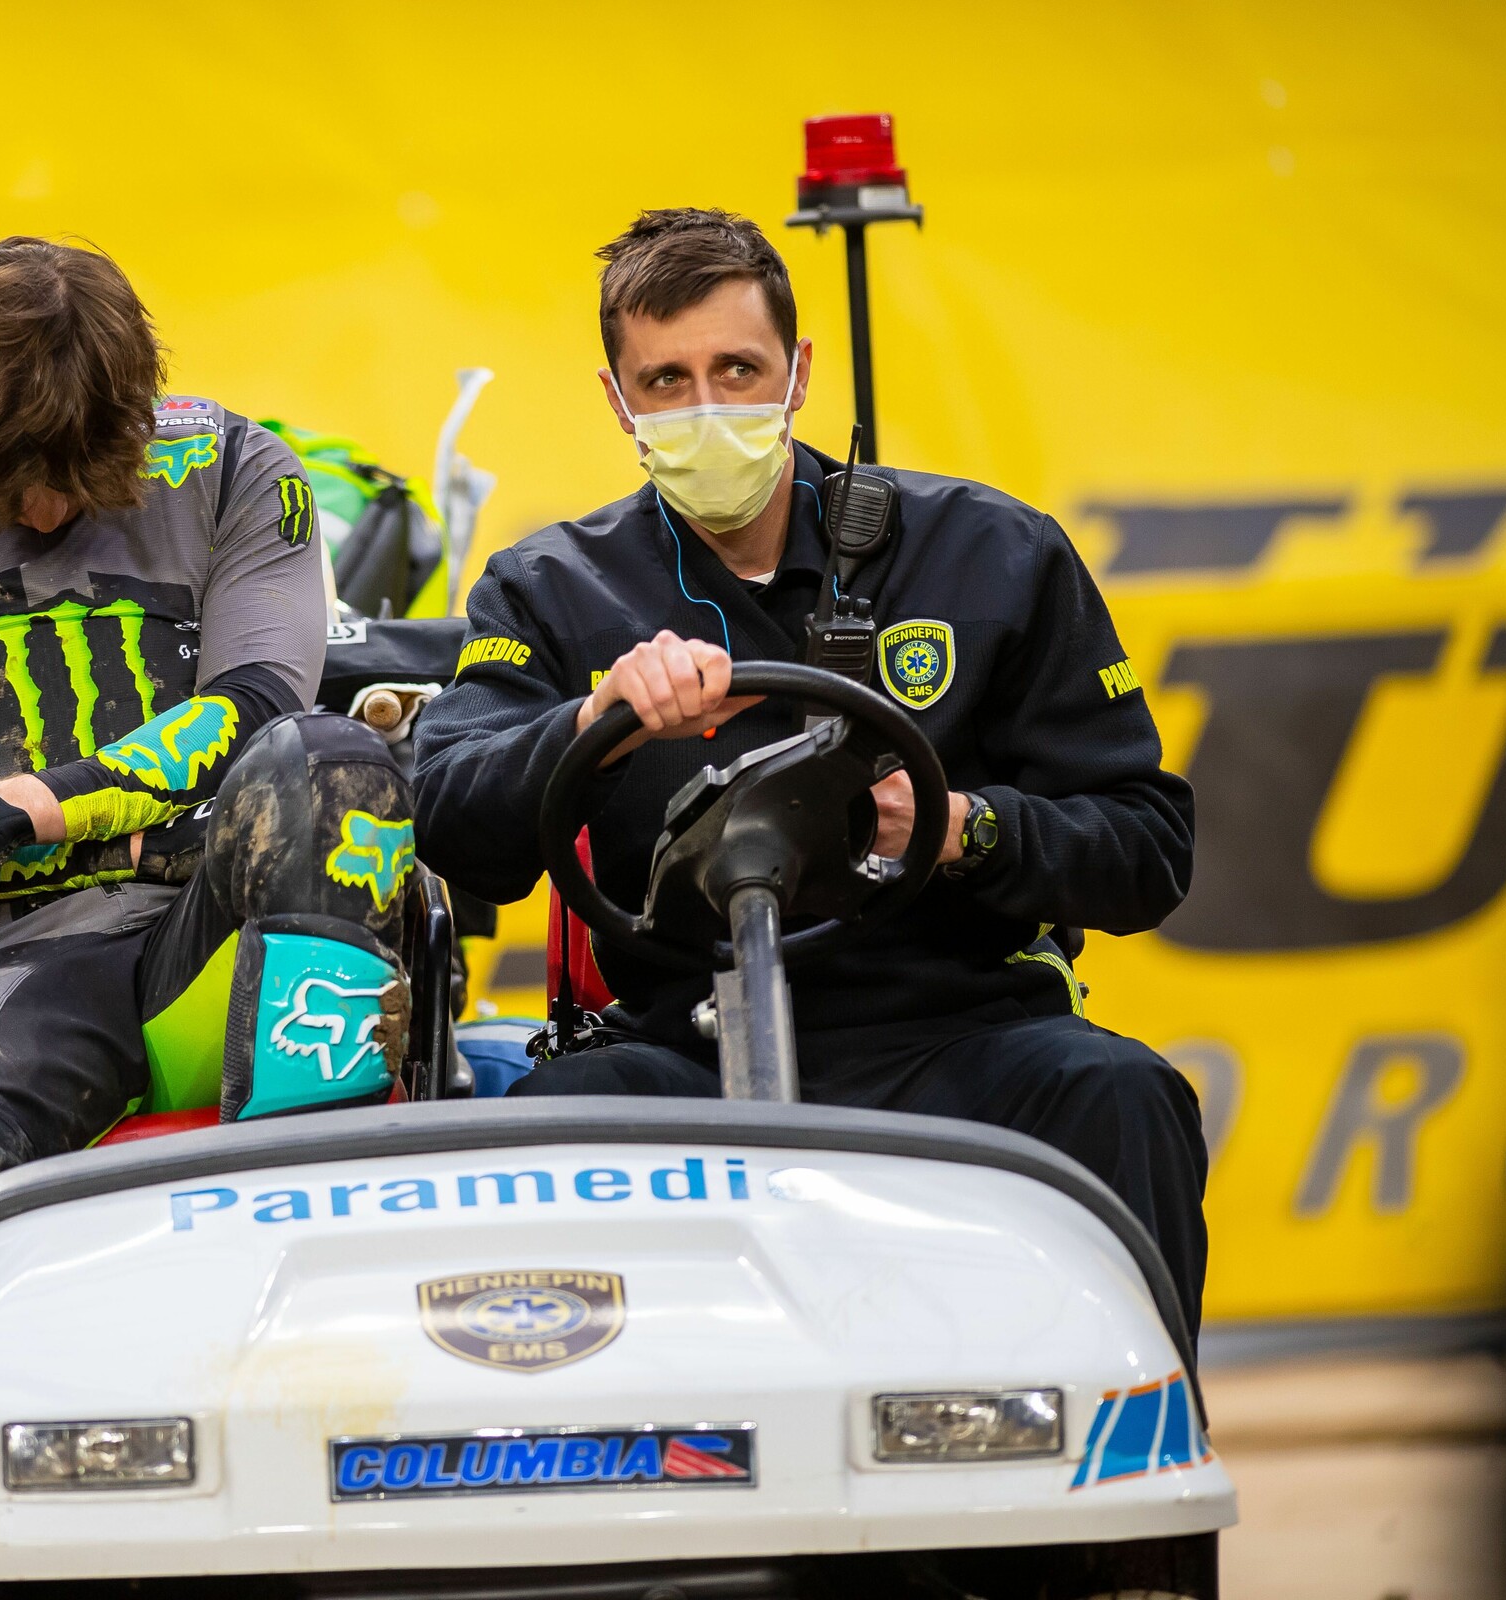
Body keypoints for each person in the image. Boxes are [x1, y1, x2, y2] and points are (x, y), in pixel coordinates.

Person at [411, 208, 1208, 1333]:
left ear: (799, 373)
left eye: (738, 370)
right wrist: (596, 722)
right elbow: (450, 822)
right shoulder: (550, 587)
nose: (706, 407)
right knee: (548, 1131)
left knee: (1122, 1095)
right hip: (681, 1044)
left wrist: (961, 827)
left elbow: (1148, 849)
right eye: (667, 380)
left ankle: (1132, 1432)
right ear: (618, 400)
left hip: (963, 1029)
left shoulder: (992, 553)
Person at [0, 238, 418, 1301]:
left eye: (78, 472)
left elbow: (257, 713)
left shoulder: (241, 470)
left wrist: (24, 809)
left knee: (334, 763)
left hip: (224, 933)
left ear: (134, 417)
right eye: (11, 482)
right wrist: (127, 832)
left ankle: (315, 1246)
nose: (45, 510)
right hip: (19, 967)